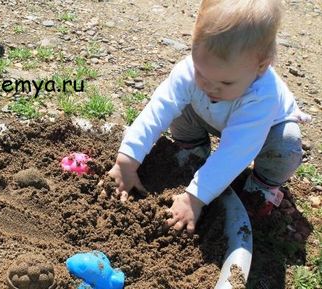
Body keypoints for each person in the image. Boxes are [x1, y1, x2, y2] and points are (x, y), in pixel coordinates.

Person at [109, 0, 311, 233]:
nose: (210, 87)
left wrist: (194, 198)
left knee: (286, 144)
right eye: (201, 72)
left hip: (265, 133)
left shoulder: (262, 96)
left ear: (261, 66)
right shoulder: (192, 72)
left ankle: (261, 187)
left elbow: (234, 152)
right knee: (179, 105)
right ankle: (194, 151)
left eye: (225, 82)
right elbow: (158, 109)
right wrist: (127, 159)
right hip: (209, 115)